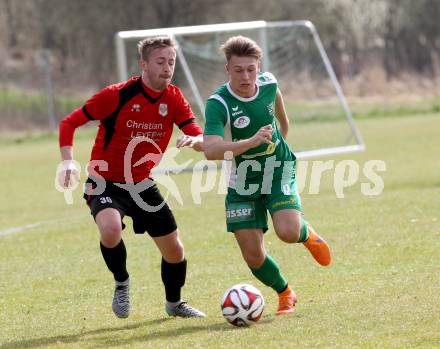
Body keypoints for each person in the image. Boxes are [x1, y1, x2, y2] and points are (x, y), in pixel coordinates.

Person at [58, 36, 206, 319]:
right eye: (160, 61)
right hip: (104, 181)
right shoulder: (116, 95)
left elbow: (194, 130)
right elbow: (70, 122)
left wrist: (195, 139)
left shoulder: (174, 98)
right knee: (111, 229)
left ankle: (175, 304)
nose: (167, 68)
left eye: (171, 62)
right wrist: (67, 162)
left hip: (142, 183)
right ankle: (122, 282)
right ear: (144, 64)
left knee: (174, 251)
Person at [203, 36, 332, 315]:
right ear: (227, 69)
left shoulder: (269, 83)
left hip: (277, 169)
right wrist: (250, 142)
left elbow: (281, 114)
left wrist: (281, 138)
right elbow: (211, 149)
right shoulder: (218, 103)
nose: (246, 77)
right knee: (253, 255)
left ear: (258, 67)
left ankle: (306, 234)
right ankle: (285, 293)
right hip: (242, 181)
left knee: (286, 232)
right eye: (238, 70)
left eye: (251, 69)